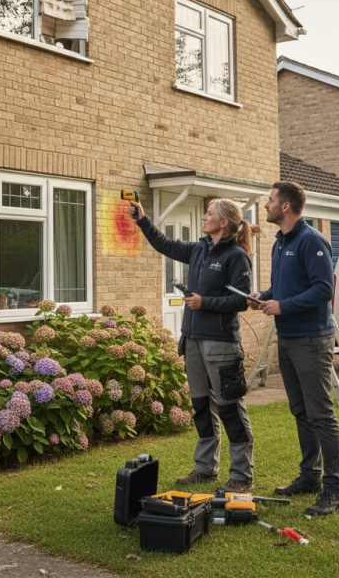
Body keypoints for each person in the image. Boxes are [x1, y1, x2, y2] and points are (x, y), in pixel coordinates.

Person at [130, 197, 256, 492]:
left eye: (209, 213)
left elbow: (242, 300)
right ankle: (205, 467)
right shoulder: (200, 248)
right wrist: (143, 220)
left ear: (223, 222)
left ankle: (241, 474)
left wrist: (204, 302)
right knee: (201, 406)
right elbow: (166, 245)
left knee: (229, 408)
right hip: (193, 341)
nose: (203, 217)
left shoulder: (236, 256)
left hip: (221, 344)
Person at [249, 180, 339, 515]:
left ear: (285, 206)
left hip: (311, 339)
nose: (266, 205)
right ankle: (310, 477)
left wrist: (282, 306)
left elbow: (323, 290)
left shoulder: (311, 240)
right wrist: (263, 296)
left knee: (321, 414)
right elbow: (283, 288)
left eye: (270, 200)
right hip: (288, 338)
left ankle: (334, 490)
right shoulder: (280, 242)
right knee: (301, 411)